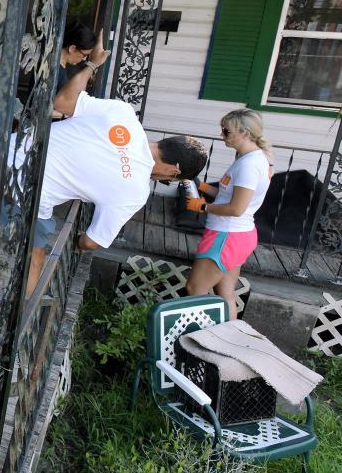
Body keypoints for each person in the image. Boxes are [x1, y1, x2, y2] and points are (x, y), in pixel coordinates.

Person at [26, 38, 209, 291]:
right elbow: (92, 242)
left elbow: (62, 102)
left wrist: (91, 64)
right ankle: (16, 329)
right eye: (171, 180)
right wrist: (79, 243)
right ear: (173, 171)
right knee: (36, 259)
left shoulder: (124, 114)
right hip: (29, 191)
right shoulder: (136, 192)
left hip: (18, 149)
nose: (165, 180)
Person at [184, 109, 273, 320]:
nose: (221, 135)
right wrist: (203, 187)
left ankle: (197, 340)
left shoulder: (249, 166)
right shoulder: (251, 159)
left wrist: (202, 207)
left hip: (226, 235)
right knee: (225, 295)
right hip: (240, 235)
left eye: (226, 131)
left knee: (194, 290)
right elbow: (229, 196)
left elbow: (236, 208)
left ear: (246, 133)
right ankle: (228, 340)